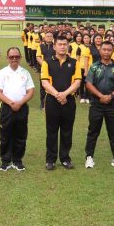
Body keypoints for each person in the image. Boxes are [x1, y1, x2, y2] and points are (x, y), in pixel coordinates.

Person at [40, 36, 82, 170]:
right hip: (52, 100)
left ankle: (65, 158)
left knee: (67, 130)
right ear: (54, 46)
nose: (62, 47)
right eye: (60, 44)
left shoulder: (75, 62)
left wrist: (65, 94)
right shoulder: (47, 62)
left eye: (65, 44)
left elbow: (77, 82)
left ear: (68, 46)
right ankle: (50, 160)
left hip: (69, 100)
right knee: (51, 130)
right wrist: (58, 95)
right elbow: (45, 82)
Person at [83, 41, 114, 169]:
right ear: (100, 51)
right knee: (93, 131)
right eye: (104, 49)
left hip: (112, 105)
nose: (106, 52)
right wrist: (101, 96)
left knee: (113, 132)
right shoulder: (94, 67)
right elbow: (88, 83)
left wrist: (111, 96)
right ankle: (89, 157)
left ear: (113, 51)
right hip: (96, 104)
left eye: (109, 50)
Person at [0, 47, 34, 171]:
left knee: (20, 134)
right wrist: (11, 103)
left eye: (17, 56)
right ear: (7, 58)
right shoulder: (2, 72)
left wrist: (20, 103)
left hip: (22, 108)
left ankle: (17, 160)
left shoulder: (25, 73)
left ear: (20, 57)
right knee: (5, 134)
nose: (14, 59)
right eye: (11, 57)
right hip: (6, 108)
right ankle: (5, 161)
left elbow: (31, 91)